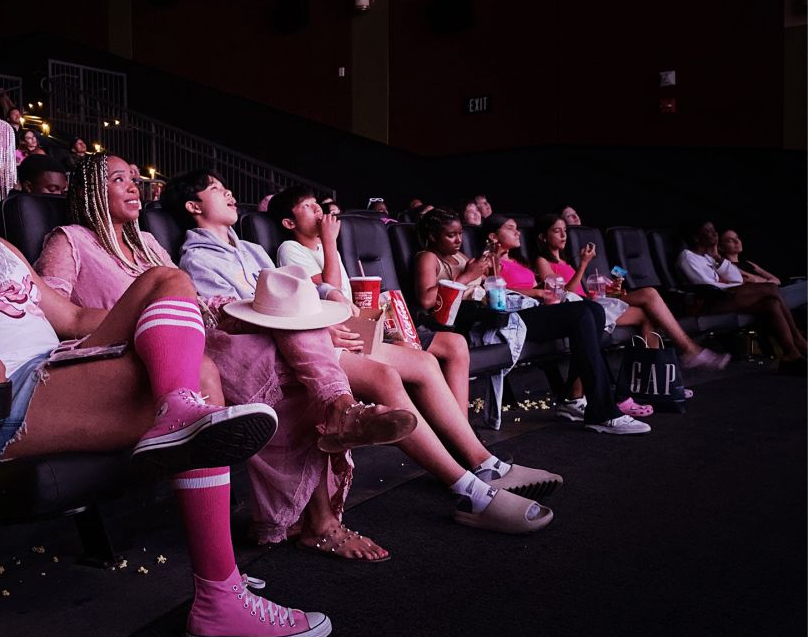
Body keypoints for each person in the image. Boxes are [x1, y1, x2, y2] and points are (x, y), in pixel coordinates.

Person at [0, 97, 329, 637]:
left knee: (167, 284)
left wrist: (165, 324)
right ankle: (219, 595)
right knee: (194, 374)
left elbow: (74, 319)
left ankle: (183, 425)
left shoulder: (1, 247)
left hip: (56, 369)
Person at [37, 154, 418, 555]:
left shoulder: (146, 242)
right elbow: (58, 315)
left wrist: (234, 310)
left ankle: (337, 407)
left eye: (134, 178)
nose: (134, 186)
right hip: (139, 351)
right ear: (90, 191)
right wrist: (143, 315)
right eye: (118, 180)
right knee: (277, 360)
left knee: (290, 320)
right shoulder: (68, 239)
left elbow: (190, 299)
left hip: (195, 335)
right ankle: (332, 458)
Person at [165, 170, 559, 536]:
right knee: (383, 377)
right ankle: (469, 491)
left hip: (314, 335)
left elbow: (298, 290)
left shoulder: (250, 249)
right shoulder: (197, 258)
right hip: (282, 351)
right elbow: (237, 321)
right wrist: (320, 326)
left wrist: (330, 297)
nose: (229, 192)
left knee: (422, 361)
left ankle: (483, 464)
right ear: (193, 207)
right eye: (216, 189)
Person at [271, 187, 473, 416]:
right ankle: (441, 427)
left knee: (455, 344)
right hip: (342, 329)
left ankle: (460, 425)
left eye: (315, 202)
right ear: (289, 223)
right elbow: (330, 290)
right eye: (307, 206)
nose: (317, 207)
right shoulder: (290, 249)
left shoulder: (327, 249)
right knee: (416, 355)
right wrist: (330, 242)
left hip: (363, 319)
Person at [480, 214, 653, 434]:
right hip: (515, 317)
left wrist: (546, 292)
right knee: (582, 314)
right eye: (511, 228)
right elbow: (492, 289)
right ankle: (604, 411)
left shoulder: (518, 261)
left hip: (539, 309)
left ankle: (573, 400)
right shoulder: (488, 261)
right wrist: (536, 290)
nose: (518, 232)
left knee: (595, 310)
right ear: (493, 236)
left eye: (517, 228)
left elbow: (545, 289)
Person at [533, 214, 729, 373]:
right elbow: (562, 294)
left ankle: (655, 377)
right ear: (543, 237)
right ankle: (689, 350)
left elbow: (583, 290)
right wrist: (584, 264)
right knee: (649, 294)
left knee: (647, 315)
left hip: (592, 303)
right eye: (557, 231)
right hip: (578, 309)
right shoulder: (542, 260)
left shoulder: (566, 262)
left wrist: (612, 289)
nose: (563, 235)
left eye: (565, 231)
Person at [677, 219, 806, 374]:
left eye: (714, 230)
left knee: (771, 303)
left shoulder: (709, 257)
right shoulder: (687, 257)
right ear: (696, 237)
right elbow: (705, 286)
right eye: (709, 231)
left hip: (724, 297)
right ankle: (799, 340)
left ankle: (791, 355)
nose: (715, 234)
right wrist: (737, 289)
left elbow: (736, 278)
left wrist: (718, 257)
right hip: (707, 303)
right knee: (770, 288)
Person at [719, 227, 807, 312]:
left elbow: (777, 280)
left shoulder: (749, 263)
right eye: (730, 240)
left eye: (737, 237)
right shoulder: (728, 267)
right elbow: (754, 282)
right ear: (721, 248)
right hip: (771, 296)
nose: (737, 242)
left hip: (778, 289)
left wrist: (764, 282)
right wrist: (767, 283)